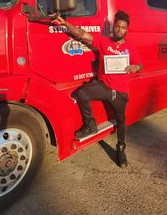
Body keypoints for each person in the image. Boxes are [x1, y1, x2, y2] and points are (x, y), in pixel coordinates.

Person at [53, 11, 142, 168]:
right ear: (114, 27)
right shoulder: (104, 41)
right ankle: (90, 124)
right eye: (117, 26)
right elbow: (82, 34)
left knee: (121, 121)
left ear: (126, 30)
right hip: (104, 85)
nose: (120, 29)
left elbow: (140, 65)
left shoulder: (131, 48)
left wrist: (136, 67)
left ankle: (120, 149)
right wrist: (66, 24)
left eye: (123, 27)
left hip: (120, 90)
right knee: (82, 93)